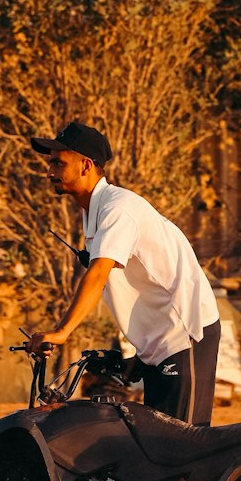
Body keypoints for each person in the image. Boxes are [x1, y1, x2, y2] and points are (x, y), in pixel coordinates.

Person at [28, 120, 221, 426]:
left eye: (57, 163)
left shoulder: (118, 209)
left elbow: (98, 274)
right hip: (155, 344)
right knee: (155, 445)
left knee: (182, 448)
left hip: (185, 334)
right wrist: (130, 352)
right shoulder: (92, 210)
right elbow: (122, 287)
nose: (49, 171)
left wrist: (62, 332)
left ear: (85, 166)